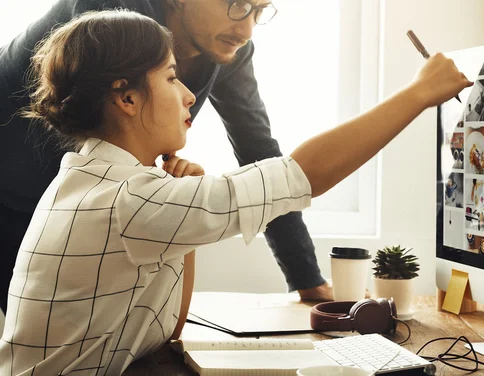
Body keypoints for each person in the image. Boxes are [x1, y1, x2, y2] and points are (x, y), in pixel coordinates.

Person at [0, 10, 470, 376]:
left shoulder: (97, 178)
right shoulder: (128, 199)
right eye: (169, 76)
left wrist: (181, 210)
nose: (188, 95)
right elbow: (301, 175)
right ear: (126, 98)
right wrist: (418, 94)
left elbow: (167, 329)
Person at [0, 0, 332, 315]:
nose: (246, 30)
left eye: (259, 10)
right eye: (237, 4)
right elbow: (100, 141)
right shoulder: (115, 23)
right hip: (19, 182)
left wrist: (308, 280)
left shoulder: (228, 47)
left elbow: (258, 149)